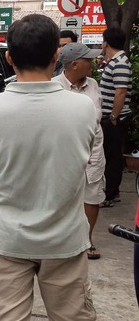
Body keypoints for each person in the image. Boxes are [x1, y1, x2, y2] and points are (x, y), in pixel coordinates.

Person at [0, 14, 97, 321]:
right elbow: (84, 154)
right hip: (65, 237)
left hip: (7, 238)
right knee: (69, 320)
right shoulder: (83, 108)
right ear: (56, 58)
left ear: (10, 58)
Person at [53, 42, 106, 259]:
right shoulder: (54, 86)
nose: (92, 63)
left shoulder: (93, 84)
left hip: (93, 150)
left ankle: (87, 239)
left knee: (92, 197)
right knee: (63, 198)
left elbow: (97, 118)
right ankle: (62, 240)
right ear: (75, 64)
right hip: (65, 153)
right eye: (88, 60)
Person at [99, 27, 131, 208]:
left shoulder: (120, 62)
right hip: (113, 116)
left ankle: (110, 194)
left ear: (106, 42)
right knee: (111, 155)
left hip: (115, 118)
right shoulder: (116, 61)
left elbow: (120, 92)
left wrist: (113, 116)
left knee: (112, 157)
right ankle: (114, 192)